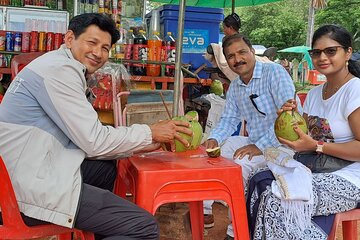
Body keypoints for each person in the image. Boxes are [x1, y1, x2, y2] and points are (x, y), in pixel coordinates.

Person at [0, 13, 192, 239]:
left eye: (105, 48)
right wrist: (150, 132)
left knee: (104, 167)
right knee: (144, 227)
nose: (98, 53)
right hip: (22, 193)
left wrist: (149, 141)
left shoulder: (58, 64)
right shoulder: (59, 71)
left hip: (27, 171)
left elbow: (88, 137)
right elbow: (94, 141)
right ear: (70, 39)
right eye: (92, 43)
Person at [247, 24, 360, 239]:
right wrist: (288, 117)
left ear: (348, 52)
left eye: (331, 51)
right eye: (316, 52)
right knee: (257, 181)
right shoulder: (316, 93)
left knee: (278, 199)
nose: (322, 58)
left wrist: (317, 146)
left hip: (351, 177)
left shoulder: (355, 90)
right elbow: (303, 135)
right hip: (316, 168)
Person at [203, 33, 297, 239]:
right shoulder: (236, 85)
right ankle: (207, 209)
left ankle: (235, 231)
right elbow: (228, 119)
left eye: (242, 52)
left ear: (253, 52)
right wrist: (214, 139)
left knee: (241, 161)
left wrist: (261, 147)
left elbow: (288, 121)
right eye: (231, 56)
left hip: (284, 145)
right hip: (255, 141)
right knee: (214, 151)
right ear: (226, 61)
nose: (237, 60)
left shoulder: (275, 73)